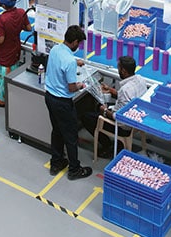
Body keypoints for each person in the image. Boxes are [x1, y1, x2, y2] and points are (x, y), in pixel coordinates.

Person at [44, 25, 92, 180]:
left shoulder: (55, 49)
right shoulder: (69, 61)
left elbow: (61, 64)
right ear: (75, 42)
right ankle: (74, 169)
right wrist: (82, 85)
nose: (79, 46)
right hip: (62, 103)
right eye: (79, 43)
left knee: (56, 130)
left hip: (49, 97)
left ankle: (56, 162)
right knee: (71, 136)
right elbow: (71, 88)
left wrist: (74, 62)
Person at [82, 55, 148, 156]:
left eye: (119, 68)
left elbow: (118, 117)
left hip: (124, 127)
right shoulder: (140, 79)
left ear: (124, 71)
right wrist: (112, 91)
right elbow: (130, 99)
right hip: (137, 119)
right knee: (99, 108)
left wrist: (104, 110)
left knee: (86, 117)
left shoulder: (125, 90)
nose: (118, 71)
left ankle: (107, 145)